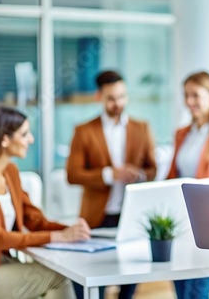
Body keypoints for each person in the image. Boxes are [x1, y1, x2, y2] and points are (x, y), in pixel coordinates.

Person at [0, 105, 91, 299]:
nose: (30, 139)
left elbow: (35, 220)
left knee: (53, 275)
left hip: (3, 262)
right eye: (24, 134)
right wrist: (58, 237)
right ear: (5, 139)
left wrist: (71, 231)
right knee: (58, 277)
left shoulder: (11, 172)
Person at [66, 70, 157, 299]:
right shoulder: (84, 131)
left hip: (130, 214)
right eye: (111, 98)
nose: (118, 103)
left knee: (130, 276)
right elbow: (72, 174)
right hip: (96, 216)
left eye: (122, 96)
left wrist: (139, 175)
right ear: (99, 97)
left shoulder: (141, 128)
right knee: (91, 275)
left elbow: (152, 169)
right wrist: (109, 174)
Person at [167, 71, 209, 298]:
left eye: (195, 95)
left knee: (197, 293)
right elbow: (173, 176)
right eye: (186, 95)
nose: (189, 102)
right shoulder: (182, 134)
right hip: (181, 223)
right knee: (181, 291)